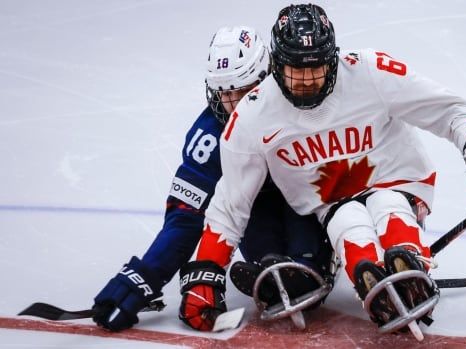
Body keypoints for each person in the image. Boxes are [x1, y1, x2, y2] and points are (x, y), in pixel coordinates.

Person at [181, 3, 466, 332]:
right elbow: (231, 202)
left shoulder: (370, 71)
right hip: (331, 203)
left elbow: (449, 109)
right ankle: (377, 286)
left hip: (396, 179)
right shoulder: (253, 113)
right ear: (276, 66)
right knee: (348, 220)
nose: (307, 83)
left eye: (316, 70)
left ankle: (411, 267)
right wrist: (206, 270)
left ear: (335, 58)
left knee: (389, 205)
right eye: (296, 73)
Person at [91, 26, 332, 332]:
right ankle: (275, 268)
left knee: (312, 236)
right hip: (254, 211)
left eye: (241, 90)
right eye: (224, 92)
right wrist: (141, 278)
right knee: (264, 248)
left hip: (309, 200)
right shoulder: (208, 136)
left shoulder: (306, 109)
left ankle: (312, 261)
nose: (232, 104)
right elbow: (184, 216)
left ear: (266, 78)